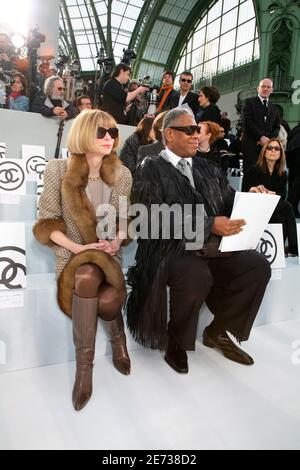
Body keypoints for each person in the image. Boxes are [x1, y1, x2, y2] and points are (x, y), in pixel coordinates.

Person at [126, 107, 271, 374]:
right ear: (169, 134)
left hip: (212, 246)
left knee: (257, 265)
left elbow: (229, 201)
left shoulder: (209, 167)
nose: (197, 136)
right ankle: (177, 340)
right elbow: (147, 218)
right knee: (196, 275)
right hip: (172, 247)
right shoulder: (150, 168)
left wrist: (251, 196)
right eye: (190, 130)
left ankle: (217, 330)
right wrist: (207, 224)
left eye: (198, 130)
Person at [33, 110, 132, 411]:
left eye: (113, 133)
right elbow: (47, 222)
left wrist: (116, 241)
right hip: (72, 256)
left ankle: (115, 343)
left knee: (104, 290)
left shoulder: (122, 174)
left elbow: (125, 220)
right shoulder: (57, 169)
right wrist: (77, 248)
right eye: (101, 132)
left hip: (107, 255)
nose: (108, 139)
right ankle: (85, 370)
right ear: (84, 133)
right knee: (90, 280)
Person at [242, 139, 298, 256]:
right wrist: (266, 194)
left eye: (277, 148)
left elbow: (282, 195)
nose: (273, 150)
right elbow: (246, 193)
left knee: (281, 218)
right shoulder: (254, 170)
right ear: (264, 151)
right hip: (256, 207)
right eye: (270, 148)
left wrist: (268, 194)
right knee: (288, 206)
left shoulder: (282, 173)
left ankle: (279, 249)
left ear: (281, 153)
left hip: (273, 206)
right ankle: (294, 248)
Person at [241, 78, 280, 174]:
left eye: (268, 87)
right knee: (250, 176)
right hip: (251, 146)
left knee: (265, 176)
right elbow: (247, 122)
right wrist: (261, 137)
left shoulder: (274, 108)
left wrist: (269, 140)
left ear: (272, 90)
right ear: (258, 88)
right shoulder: (249, 102)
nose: (265, 89)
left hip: (267, 148)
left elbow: (277, 126)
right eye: (263, 86)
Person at [286, 122, 300, 217]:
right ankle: (292, 206)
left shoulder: (296, 128)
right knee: (298, 180)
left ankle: (291, 208)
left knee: (293, 179)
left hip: (291, 152)